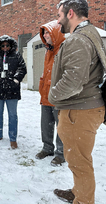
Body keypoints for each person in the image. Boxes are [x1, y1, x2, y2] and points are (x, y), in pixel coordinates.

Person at [48, 0, 106, 204]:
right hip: (83, 109)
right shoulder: (89, 34)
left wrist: (52, 95)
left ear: (70, 13)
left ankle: (83, 200)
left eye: (59, 16)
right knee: (78, 159)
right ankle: (78, 191)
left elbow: (73, 81)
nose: (58, 21)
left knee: (79, 162)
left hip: (79, 112)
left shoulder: (78, 39)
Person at [0, 35, 27, 149]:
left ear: (11, 45)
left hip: (12, 91)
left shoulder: (17, 56)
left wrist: (15, 80)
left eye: (7, 45)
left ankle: (13, 138)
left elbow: (22, 68)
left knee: (12, 115)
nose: (5, 47)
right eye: (3, 45)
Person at [35, 20, 66, 166]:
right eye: (44, 33)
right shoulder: (49, 50)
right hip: (46, 94)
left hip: (59, 96)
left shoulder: (64, 50)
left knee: (61, 127)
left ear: (56, 33)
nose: (45, 35)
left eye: (48, 32)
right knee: (46, 124)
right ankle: (47, 148)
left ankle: (61, 154)